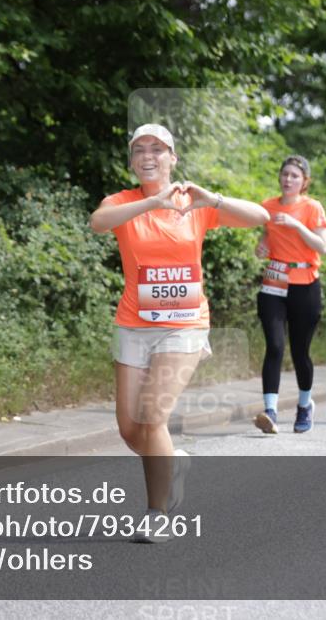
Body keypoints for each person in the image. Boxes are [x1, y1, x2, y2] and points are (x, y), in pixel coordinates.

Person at [89, 123, 268, 541]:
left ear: (173, 158)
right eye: (139, 150)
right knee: (131, 431)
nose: (148, 156)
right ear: (132, 161)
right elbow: (99, 222)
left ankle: (157, 513)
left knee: (153, 417)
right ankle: (175, 461)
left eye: (158, 148)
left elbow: (261, 216)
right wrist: (151, 202)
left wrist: (213, 199)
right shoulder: (123, 202)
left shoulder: (195, 204)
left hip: (184, 325)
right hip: (134, 324)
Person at [252, 156, 326, 435]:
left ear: (304, 181)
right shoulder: (268, 206)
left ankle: (305, 405)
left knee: (300, 352)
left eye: (295, 176)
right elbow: (267, 237)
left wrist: (297, 225)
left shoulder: (312, 207)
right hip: (275, 279)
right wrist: (261, 248)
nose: (288, 180)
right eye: (285, 174)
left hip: (305, 282)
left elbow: (323, 246)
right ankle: (270, 410)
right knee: (274, 345)